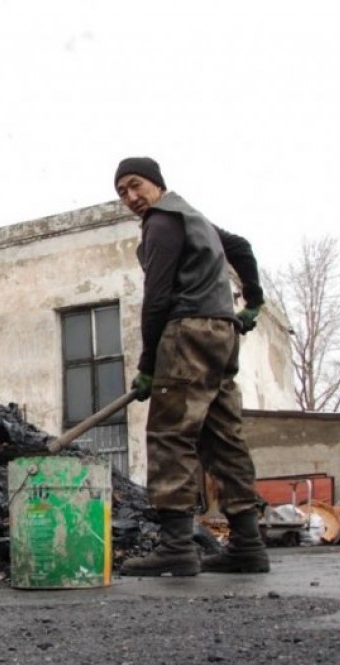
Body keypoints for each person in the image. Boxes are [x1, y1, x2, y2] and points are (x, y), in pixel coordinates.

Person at [113, 156, 269, 577]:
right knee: (224, 438)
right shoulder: (193, 218)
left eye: (135, 185)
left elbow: (158, 298)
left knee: (170, 435)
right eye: (122, 192)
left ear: (156, 183)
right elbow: (241, 247)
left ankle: (177, 547)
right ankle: (248, 545)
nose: (130, 197)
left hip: (187, 333)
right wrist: (253, 300)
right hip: (222, 332)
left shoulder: (162, 224)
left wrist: (148, 364)